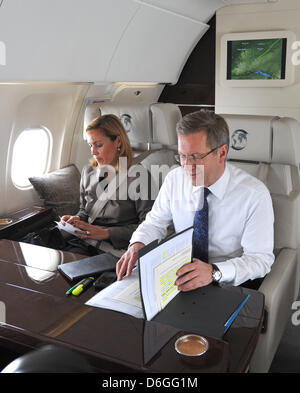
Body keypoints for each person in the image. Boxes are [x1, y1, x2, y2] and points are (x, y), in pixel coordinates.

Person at [116, 110, 274, 289]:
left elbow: (260, 260)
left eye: (196, 157)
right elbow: (155, 223)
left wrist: (214, 271)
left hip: (228, 281)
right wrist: (138, 244)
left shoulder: (254, 195)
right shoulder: (175, 179)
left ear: (222, 153)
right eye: (182, 156)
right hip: (181, 275)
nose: (186, 166)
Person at [60, 113, 153, 257]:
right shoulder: (88, 171)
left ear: (118, 142)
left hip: (117, 250)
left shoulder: (138, 175)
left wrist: (106, 233)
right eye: (91, 145)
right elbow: (84, 211)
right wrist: (77, 220)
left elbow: (149, 227)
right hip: (84, 243)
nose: (93, 152)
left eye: (99, 145)